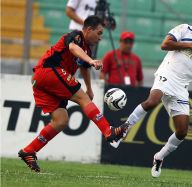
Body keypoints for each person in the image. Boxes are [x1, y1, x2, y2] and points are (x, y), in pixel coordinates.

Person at [110, 7, 192, 178]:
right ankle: (122, 130)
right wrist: (188, 44)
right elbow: (164, 45)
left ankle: (159, 157)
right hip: (166, 74)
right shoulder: (184, 29)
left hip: (181, 87)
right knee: (152, 102)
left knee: (182, 131)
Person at [17, 16, 128, 172]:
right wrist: (91, 60)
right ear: (89, 29)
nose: (100, 38)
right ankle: (109, 132)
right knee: (82, 98)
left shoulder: (87, 49)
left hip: (41, 81)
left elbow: (83, 67)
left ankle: (29, 150)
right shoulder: (75, 36)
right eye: (99, 33)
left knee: (61, 120)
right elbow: (73, 49)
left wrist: (89, 88)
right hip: (49, 71)